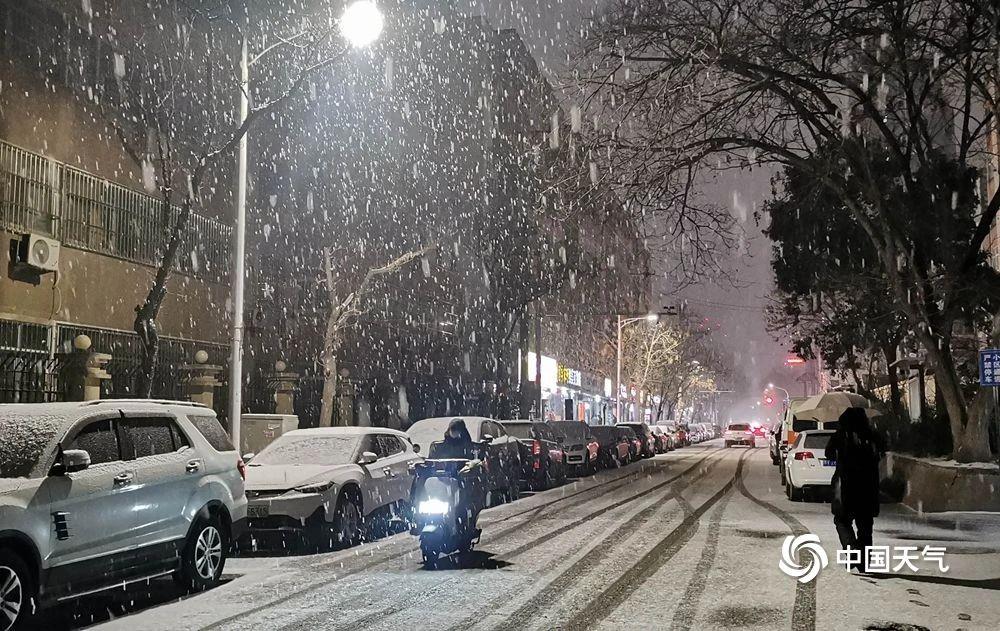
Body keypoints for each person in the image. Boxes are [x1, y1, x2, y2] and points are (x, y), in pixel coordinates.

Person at [825, 406, 886, 571]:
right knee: (865, 526)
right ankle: (863, 562)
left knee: (842, 520)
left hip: (846, 486)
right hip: (867, 486)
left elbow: (828, 454)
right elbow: (883, 448)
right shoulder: (871, 435)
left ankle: (851, 550)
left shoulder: (840, 435)